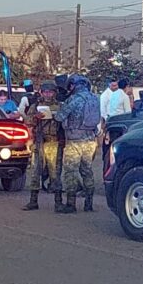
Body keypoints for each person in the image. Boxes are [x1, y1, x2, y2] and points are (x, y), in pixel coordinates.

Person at [54, 74, 101, 213]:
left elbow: (59, 117)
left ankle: (71, 204)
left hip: (74, 140)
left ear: (73, 85)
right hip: (90, 140)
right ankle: (89, 203)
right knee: (87, 170)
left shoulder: (74, 99)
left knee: (70, 172)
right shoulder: (95, 98)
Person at [21, 81, 64, 211]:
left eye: (50, 92)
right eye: (45, 92)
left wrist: (58, 117)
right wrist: (36, 117)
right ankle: (33, 201)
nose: (48, 94)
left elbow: (66, 123)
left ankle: (58, 202)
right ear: (41, 92)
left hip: (54, 142)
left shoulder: (60, 106)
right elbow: (27, 122)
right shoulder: (35, 106)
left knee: (55, 173)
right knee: (35, 172)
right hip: (39, 141)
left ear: (55, 93)